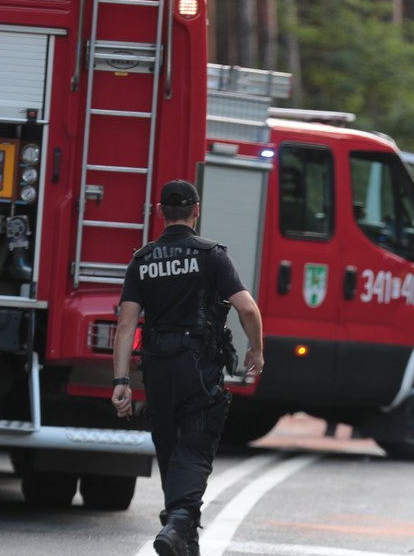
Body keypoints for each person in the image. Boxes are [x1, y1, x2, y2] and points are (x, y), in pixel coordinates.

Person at [111, 180, 264, 556]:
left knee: (168, 443)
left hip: (158, 367)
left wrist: (121, 380)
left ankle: (182, 535)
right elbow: (247, 308)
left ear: (161, 212)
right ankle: (179, 521)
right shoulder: (211, 255)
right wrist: (256, 351)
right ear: (196, 210)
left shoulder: (142, 260)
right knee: (195, 447)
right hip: (198, 366)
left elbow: (126, 324)